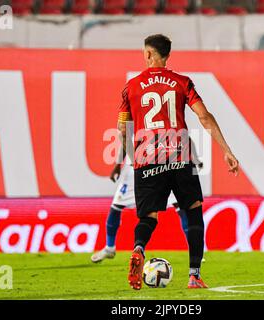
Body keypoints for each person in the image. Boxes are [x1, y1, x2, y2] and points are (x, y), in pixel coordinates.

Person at [117, 34, 239, 290]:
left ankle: (139, 248)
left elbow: (122, 129)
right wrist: (226, 150)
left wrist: (132, 157)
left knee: (148, 218)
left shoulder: (131, 86)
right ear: (167, 55)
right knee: (193, 211)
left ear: (149, 54)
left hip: (146, 159)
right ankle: (194, 275)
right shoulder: (182, 82)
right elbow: (204, 116)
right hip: (179, 157)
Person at [90, 157, 203, 263]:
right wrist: (119, 164)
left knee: (178, 205)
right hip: (141, 167)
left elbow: (124, 137)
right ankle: (110, 247)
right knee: (117, 205)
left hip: (160, 165)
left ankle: (193, 249)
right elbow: (125, 138)